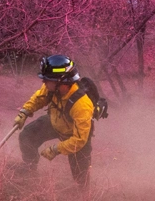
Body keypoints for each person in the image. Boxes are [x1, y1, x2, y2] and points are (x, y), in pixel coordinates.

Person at [13, 55, 94, 186]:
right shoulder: (53, 87)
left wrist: (56, 149)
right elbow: (39, 98)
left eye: (47, 80)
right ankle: (29, 167)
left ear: (61, 82)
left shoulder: (82, 105)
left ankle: (82, 194)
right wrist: (25, 112)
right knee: (27, 135)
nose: (43, 82)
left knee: (81, 176)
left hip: (75, 135)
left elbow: (80, 139)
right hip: (55, 122)